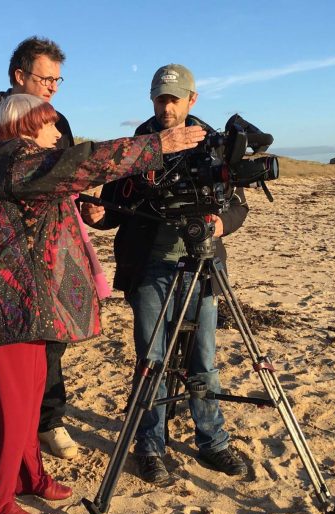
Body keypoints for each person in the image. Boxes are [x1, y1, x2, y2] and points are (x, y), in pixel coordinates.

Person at [0, 94, 205, 514]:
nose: (58, 134)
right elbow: (81, 163)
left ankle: (29, 475)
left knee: (31, 399)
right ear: (27, 125)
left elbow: (65, 187)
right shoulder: (14, 159)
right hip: (6, 306)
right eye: (51, 126)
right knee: (10, 409)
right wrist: (157, 146)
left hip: (27, 302)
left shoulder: (18, 162)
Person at [81, 64, 249, 487]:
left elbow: (238, 205)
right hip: (149, 267)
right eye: (160, 98)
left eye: (175, 98)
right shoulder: (133, 147)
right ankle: (150, 446)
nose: (167, 106)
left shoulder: (213, 144)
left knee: (203, 360)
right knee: (151, 361)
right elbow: (116, 208)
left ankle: (212, 442)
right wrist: (98, 216)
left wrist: (218, 224)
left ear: (192, 99)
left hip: (202, 264)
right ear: (152, 100)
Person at [0, 37, 85, 459]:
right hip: (0, 258)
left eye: (58, 79)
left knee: (51, 339)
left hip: (50, 252)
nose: (53, 87)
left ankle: (48, 421)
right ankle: (5, 427)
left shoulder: (56, 120)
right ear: (19, 75)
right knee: (4, 344)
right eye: (45, 78)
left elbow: (69, 177)